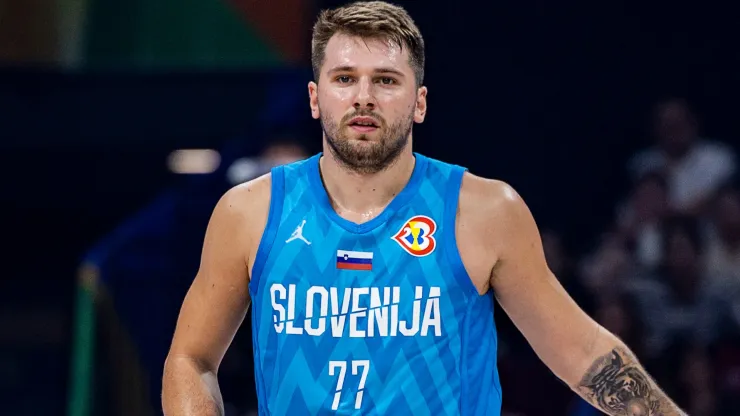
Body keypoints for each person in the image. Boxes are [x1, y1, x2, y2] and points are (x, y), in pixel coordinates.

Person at [161, 2, 686, 415]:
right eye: (345, 78)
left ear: (420, 101)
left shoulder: (482, 210)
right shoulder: (249, 212)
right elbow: (190, 358)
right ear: (315, 97)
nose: (364, 97)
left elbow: (582, 354)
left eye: (386, 80)